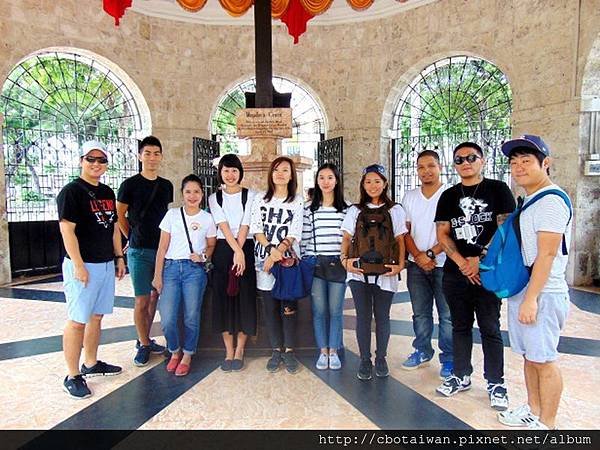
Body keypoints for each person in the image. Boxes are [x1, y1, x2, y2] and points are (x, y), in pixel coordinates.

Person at [497, 135, 572, 430]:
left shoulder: (551, 200)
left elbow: (548, 253)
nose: (518, 167)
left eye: (526, 161)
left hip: (543, 292)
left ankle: (548, 422)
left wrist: (531, 299)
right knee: (530, 356)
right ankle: (533, 409)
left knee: (544, 359)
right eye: (514, 162)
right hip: (525, 290)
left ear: (546, 163)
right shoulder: (530, 200)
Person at [434, 142, 516, 411]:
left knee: (490, 328)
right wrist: (461, 262)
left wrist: (479, 259)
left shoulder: (498, 189)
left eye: (471, 157)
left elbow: (505, 229)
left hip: (488, 272)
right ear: (454, 164)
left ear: (482, 160)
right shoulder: (448, 196)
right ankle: (461, 374)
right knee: (459, 326)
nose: (465, 163)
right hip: (456, 274)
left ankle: (496, 382)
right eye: (459, 159)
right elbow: (443, 233)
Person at [57, 140, 126, 399]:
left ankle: (91, 363)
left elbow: (114, 227)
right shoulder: (71, 192)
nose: (96, 164)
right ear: (81, 161)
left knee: (97, 317)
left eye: (101, 160)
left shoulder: (107, 192)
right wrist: (78, 264)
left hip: (106, 263)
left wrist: (119, 257)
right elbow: (67, 230)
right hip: (83, 265)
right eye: (91, 159)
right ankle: (73, 375)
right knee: (77, 321)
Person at [341, 164, 406, 381]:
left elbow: (400, 239)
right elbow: (346, 238)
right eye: (368, 181)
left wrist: (400, 265)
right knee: (363, 317)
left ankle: (381, 358)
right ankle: (365, 360)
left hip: (385, 272)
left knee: (382, 317)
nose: (373, 185)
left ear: (385, 183)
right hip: (358, 271)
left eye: (377, 181)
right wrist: (344, 260)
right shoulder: (354, 210)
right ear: (362, 184)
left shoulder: (395, 210)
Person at [117, 136, 173, 366]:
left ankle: (145, 339)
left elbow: (166, 217)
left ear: (161, 156)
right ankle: (143, 343)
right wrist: (131, 235)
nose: (152, 157)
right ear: (140, 156)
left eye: (156, 153)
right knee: (141, 300)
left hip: (161, 249)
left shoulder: (166, 186)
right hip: (139, 250)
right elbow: (120, 215)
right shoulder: (129, 185)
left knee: (154, 298)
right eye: (147, 153)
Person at [152, 174, 216, 377]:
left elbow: (212, 244)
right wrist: (157, 275)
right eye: (188, 191)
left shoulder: (207, 218)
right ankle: (174, 350)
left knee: (191, 315)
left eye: (196, 191)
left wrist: (203, 256)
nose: (192, 195)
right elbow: (162, 247)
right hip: (171, 268)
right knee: (168, 317)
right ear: (182, 194)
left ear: (202, 194)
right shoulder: (172, 215)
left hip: (193, 271)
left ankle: (187, 354)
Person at [249, 156, 304, 374]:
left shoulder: (297, 200)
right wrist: (270, 252)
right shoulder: (261, 199)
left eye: (285, 170)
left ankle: (290, 350)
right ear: (271, 174)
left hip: (287, 263)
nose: (280, 174)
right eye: (276, 170)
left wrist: (277, 253)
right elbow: (256, 229)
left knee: (288, 308)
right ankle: (276, 350)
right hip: (263, 261)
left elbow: (294, 231)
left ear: (291, 175)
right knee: (270, 308)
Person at [401, 150, 453, 379]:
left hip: (445, 263)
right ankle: (422, 350)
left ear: (440, 167)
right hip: (416, 265)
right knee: (420, 313)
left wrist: (431, 254)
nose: (426, 171)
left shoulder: (450, 194)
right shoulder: (410, 196)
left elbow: (452, 231)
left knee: (447, 315)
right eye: (421, 167)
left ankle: (449, 358)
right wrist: (418, 256)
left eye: (431, 165)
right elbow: (405, 231)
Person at [207, 154, 257, 372]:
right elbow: (223, 224)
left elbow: (246, 223)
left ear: (240, 172)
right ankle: (228, 350)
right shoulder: (213, 198)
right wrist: (236, 251)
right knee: (223, 298)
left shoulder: (251, 195)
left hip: (246, 246)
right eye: (226, 170)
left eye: (234, 170)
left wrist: (241, 251)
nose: (230, 175)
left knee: (244, 297)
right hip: (224, 248)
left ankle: (240, 350)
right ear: (221, 173)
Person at [301, 163, 348, 370]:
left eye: (330, 177)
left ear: (336, 180)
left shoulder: (346, 209)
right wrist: (305, 259)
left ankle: (334, 350)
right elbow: (304, 238)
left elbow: (349, 239)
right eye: (321, 177)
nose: (326, 182)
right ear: (316, 181)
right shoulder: (309, 208)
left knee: (336, 310)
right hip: (316, 263)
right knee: (319, 310)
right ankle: (323, 351)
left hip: (338, 264)